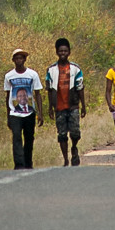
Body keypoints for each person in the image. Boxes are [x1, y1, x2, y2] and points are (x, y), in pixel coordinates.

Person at [45, 38, 86, 167]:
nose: (63, 53)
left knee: (75, 132)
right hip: (59, 106)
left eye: (65, 51)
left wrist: (83, 105)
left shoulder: (75, 69)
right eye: (60, 51)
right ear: (57, 52)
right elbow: (49, 89)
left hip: (73, 105)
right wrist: (50, 107)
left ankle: (74, 148)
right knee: (62, 134)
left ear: (69, 52)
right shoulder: (51, 70)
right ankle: (66, 159)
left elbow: (80, 88)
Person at [3, 48, 43, 170]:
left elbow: (38, 93)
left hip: (29, 113)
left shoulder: (32, 74)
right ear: (13, 60)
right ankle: (19, 164)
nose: (19, 60)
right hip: (15, 113)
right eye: (17, 58)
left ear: (25, 59)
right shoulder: (9, 76)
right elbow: (8, 96)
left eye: (21, 58)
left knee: (29, 137)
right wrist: (8, 114)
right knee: (16, 137)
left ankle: (28, 162)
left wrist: (40, 113)